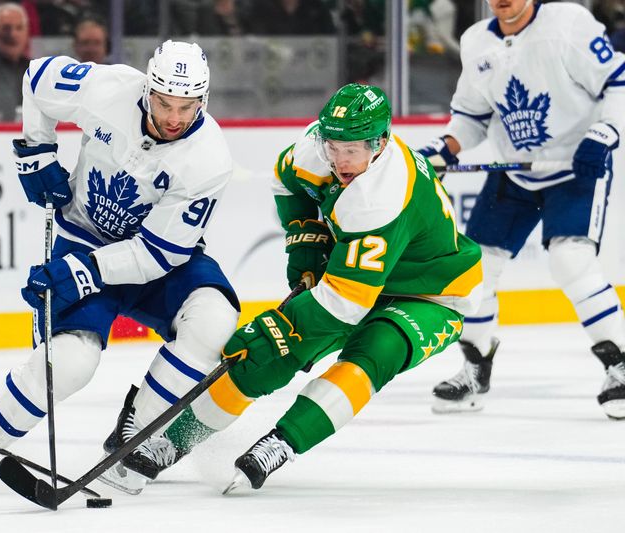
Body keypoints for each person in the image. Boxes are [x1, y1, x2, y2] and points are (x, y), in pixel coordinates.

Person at [102, 83, 484, 494]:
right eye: (334, 146)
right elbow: (288, 185)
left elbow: (343, 306)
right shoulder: (314, 149)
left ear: (381, 143)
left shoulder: (380, 197)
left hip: (430, 291)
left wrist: (276, 326)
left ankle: (283, 443)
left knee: (376, 352)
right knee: (267, 358)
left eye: (352, 150)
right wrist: (307, 245)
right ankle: (172, 443)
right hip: (356, 273)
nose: (339, 160)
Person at [0, 39, 239, 495]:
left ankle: (135, 438)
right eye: (164, 103)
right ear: (147, 90)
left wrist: (81, 273)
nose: (174, 118)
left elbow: (158, 255)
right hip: (82, 237)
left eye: (188, 107)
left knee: (215, 321)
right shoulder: (109, 89)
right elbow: (37, 79)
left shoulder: (208, 159)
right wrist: (37, 150)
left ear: (204, 101)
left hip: (158, 260)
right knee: (71, 363)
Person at [417, 0, 625, 418]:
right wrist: (446, 149)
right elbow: (471, 117)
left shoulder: (567, 23)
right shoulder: (477, 42)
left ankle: (619, 365)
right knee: (474, 270)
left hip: (575, 167)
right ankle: (475, 369)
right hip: (515, 172)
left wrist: (604, 132)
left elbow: (617, 82)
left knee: (571, 262)